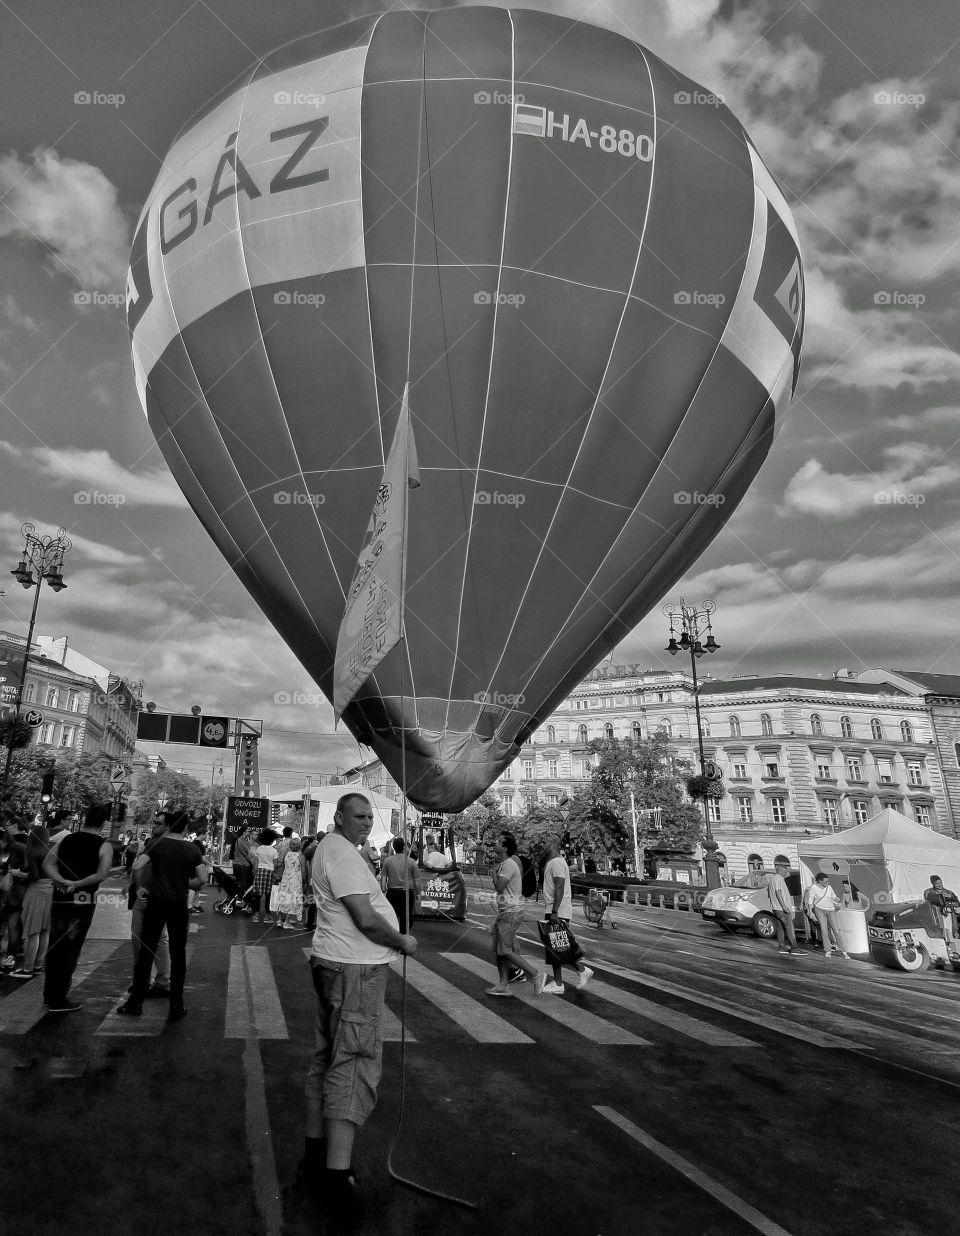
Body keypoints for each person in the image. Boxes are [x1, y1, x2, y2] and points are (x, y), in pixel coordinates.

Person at [299, 794, 417, 1218]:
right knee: (352, 1062)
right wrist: (402, 940)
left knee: (326, 1056)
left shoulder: (338, 849)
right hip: (355, 969)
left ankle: (314, 1158)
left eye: (370, 816)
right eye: (359, 816)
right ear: (339, 817)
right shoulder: (342, 853)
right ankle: (336, 1173)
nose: (367, 822)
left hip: (336, 961)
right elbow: (365, 918)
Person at [117, 810, 205, 1021]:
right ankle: (176, 1004)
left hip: (155, 903)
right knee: (178, 954)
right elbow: (202, 878)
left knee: (147, 952)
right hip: (178, 905)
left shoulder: (158, 845)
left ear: (170, 826)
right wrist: (182, 882)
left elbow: (137, 866)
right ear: (185, 828)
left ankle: (135, 1002)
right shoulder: (192, 849)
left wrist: (140, 887)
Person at [42, 802, 113, 1012]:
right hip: (84, 898)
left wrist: (62, 881)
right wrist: (77, 884)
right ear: (104, 822)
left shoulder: (67, 839)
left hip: (60, 896)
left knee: (55, 945)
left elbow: (48, 864)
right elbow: (102, 873)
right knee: (71, 947)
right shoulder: (104, 844)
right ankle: (58, 999)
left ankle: (50, 994)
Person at [486, 832, 547, 997]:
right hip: (505, 910)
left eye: (498, 842)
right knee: (499, 951)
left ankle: (535, 974)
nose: (495, 843)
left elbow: (499, 886)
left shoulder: (508, 864)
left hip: (511, 912)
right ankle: (503, 984)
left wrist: (493, 874)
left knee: (505, 950)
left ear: (504, 848)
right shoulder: (505, 863)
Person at [538, 834, 592, 994]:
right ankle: (572, 975)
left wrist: (554, 911)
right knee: (558, 946)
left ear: (554, 843)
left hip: (558, 910)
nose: (542, 844)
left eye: (545, 841)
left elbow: (559, 887)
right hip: (555, 909)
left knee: (558, 946)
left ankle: (563, 980)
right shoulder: (554, 862)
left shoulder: (557, 862)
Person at [127, 814, 173, 997]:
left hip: (159, 899)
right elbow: (139, 867)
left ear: (168, 826)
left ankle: (162, 981)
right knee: (137, 939)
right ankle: (142, 980)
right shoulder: (150, 842)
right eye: (154, 823)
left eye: (158, 824)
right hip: (143, 897)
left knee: (159, 940)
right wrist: (134, 886)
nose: (154, 826)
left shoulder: (170, 845)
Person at [9, 822, 53, 980]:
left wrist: (19, 874)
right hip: (50, 890)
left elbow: (34, 875)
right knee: (44, 930)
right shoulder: (50, 850)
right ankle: (38, 965)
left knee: (31, 930)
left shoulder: (33, 851)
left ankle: (27, 968)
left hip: (36, 890)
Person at [802, 874, 849, 958]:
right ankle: (828, 950)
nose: (828, 882)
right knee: (824, 930)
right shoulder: (813, 888)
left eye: (828, 881)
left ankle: (843, 950)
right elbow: (810, 900)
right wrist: (811, 912)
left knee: (836, 930)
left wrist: (837, 899)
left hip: (831, 910)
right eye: (826, 881)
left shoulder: (829, 887)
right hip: (819, 910)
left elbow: (834, 897)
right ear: (820, 881)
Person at [380, 837, 419, 933]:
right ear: (404, 847)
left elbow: (383, 878)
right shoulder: (412, 862)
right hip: (407, 893)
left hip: (392, 892)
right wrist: (417, 893)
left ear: (394, 848)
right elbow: (417, 880)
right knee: (406, 917)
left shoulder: (388, 861)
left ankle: (392, 935)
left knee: (391, 916)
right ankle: (403, 936)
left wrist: (383, 889)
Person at [276, 835, 308, 929]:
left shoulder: (287, 854)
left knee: (283, 898)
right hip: (295, 880)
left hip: (285, 878)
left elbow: (283, 865)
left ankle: (279, 920)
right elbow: (303, 870)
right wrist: (305, 880)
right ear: (299, 846)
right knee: (292, 900)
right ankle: (286, 922)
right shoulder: (300, 856)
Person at [924, 875, 960, 952]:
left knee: (953, 931)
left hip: (950, 916)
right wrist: (941, 908)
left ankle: (955, 950)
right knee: (941, 933)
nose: (940, 885)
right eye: (937, 883)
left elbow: (957, 902)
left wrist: (952, 905)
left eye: (941, 883)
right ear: (932, 883)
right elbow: (928, 903)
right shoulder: (928, 892)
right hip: (938, 916)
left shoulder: (949, 892)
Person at [251, 828, 279, 923]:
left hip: (260, 871)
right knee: (268, 895)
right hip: (270, 873)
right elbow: (275, 864)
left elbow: (255, 863)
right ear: (272, 839)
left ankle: (256, 915)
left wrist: (255, 873)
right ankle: (268, 915)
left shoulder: (259, 849)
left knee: (257, 894)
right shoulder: (274, 851)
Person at [232, 826, 254, 897]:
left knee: (238, 883)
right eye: (248, 831)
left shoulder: (237, 840)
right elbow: (251, 853)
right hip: (243, 865)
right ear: (244, 832)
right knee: (244, 885)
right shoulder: (244, 841)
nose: (249, 833)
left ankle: (236, 898)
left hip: (236, 864)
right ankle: (241, 900)